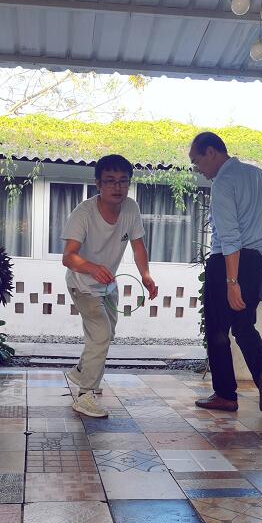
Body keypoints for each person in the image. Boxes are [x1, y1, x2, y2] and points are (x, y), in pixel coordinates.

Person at [189, 131, 262, 413]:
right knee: (243, 326)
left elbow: (229, 237)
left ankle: (225, 395)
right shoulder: (261, 177)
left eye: (197, 161)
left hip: (226, 264)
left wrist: (231, 281)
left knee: (217, 330)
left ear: (211, 152)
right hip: (255, 262)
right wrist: (253, 242)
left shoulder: (223, 182)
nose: (198, 169)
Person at [62, 154, 157, 418]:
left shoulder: (131, 208)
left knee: (106, 333)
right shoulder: (83, 213)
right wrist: (92, 267)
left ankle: (82, 371)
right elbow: (68, 257)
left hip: (108, 286)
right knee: (101, 333)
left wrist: (146, 275)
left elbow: (138, 247)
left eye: (123, 181)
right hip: (82, 285)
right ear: (98, 184)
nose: (117, 187)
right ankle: (85, 395)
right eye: (110, 181)